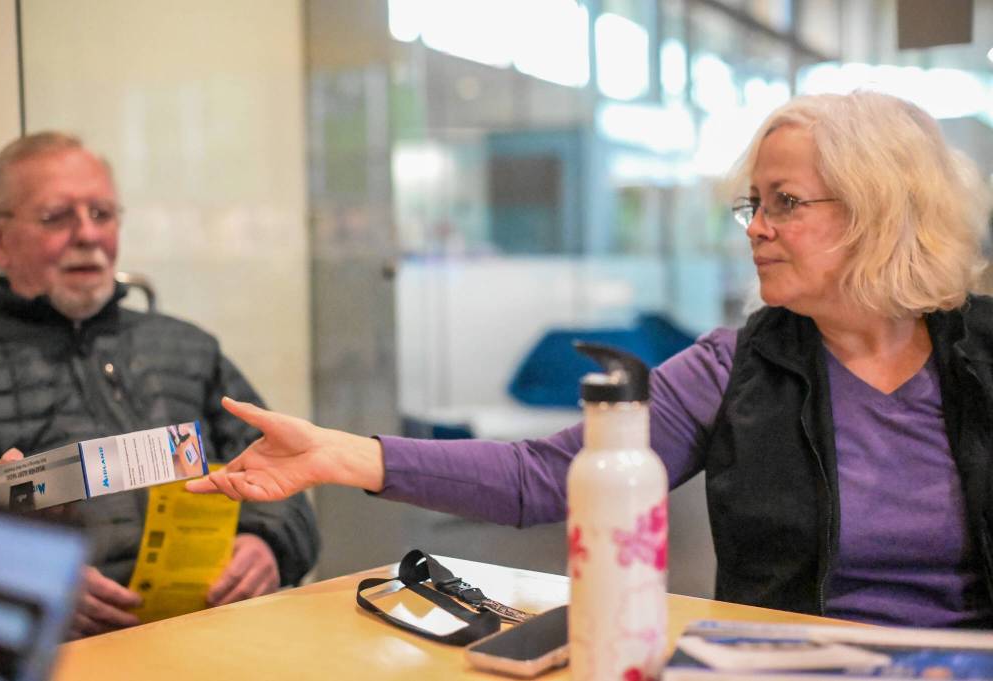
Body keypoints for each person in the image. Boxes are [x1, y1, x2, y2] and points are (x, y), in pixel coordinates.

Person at [189, 91, 993, 629]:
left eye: (787, 203)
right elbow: (542, 475)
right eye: (755, 204)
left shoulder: (980, 355)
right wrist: (343, 453)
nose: (755, 228)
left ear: (880, 212)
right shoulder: (734, 367)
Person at [0, 132, 320, 639]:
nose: (88, 235)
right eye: (56, 217)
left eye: (102, 214)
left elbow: (286, 472)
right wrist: (23, 579)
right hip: (59, 654)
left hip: (214, 635)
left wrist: (269, 546)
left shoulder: (187, 348)